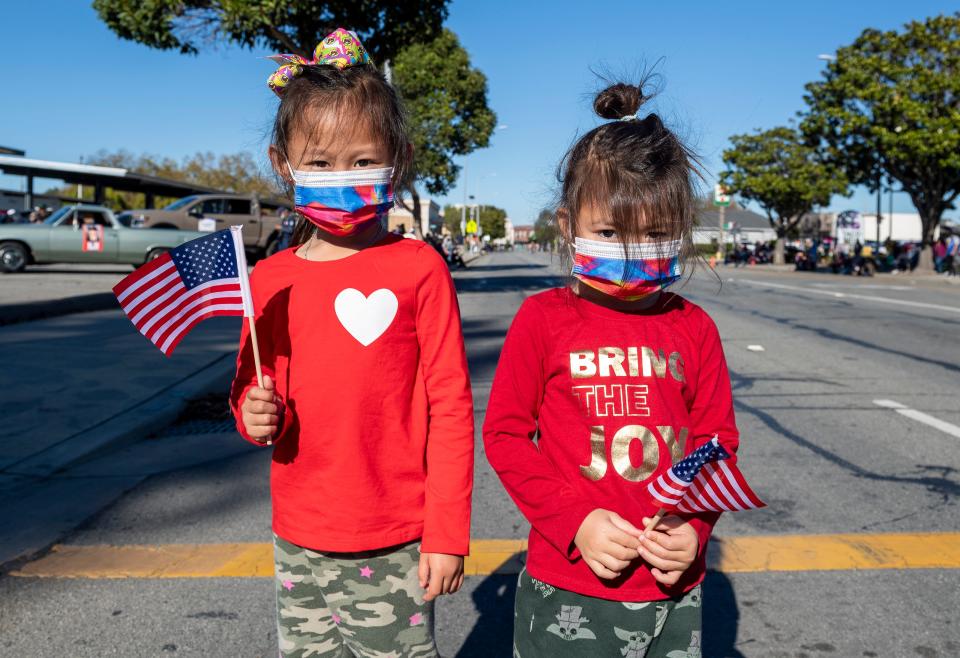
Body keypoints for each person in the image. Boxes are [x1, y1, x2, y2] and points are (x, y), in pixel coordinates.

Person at [229, 28, 474, 658]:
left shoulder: (420, 267)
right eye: (319, 162)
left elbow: (450, 406)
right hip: (296, 535)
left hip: (396, 537)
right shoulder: (270, 278)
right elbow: (254, 394)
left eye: (363, 161)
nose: (342, 177)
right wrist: (252, 415)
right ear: (283, 164)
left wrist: (447, 533)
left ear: (398, 155)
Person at [483, 80, 739, 657]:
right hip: (567, 585)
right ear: (568, 224)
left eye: (653, 235)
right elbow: (504, 435)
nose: (630, 253)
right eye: (607, 232)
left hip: (675, 592)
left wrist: (693, 529)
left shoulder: (693, 326)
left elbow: (716, 442)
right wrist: (576, 521)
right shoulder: (542, 319)